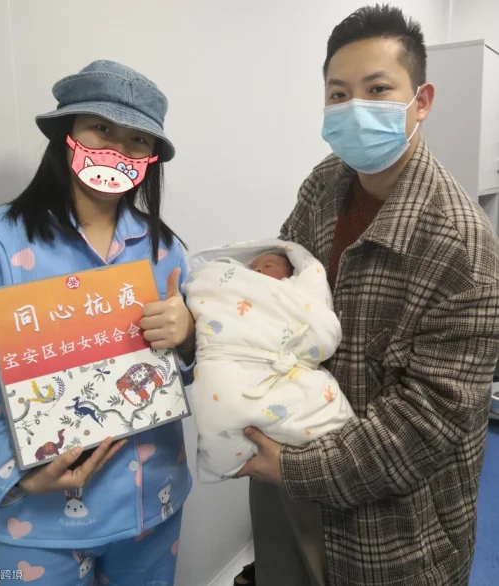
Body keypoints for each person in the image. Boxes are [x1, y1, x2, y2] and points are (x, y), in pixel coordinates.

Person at [235, 5, 499, 586]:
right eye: (338, 94)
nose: (354, 108)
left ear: (421, 101)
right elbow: (288, 276)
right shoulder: (324, 183)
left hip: (396, 529)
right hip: (294, 463)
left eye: (378, 90)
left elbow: (426, 424)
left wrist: (296, 469)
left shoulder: (462, 246)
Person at [0, 60, 196, 586]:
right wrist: (17, 474)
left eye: (137, 140)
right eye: (101, 128)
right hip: (40, 521)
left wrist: (190, 338)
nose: (117, 150)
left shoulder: (165, 249)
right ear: (67, 133)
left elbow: (186, 371)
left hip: (151, 503)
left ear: (150, 158)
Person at [182, 239, 354, 483]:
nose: (258, 270)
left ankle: (338, 456)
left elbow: (321, 334)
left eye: (269, 265)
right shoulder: (239, 288)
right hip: (229, 361)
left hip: (285, 368)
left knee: (323, 414)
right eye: (254, 267)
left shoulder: (293, 292)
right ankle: (223, 462)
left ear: (290, 275)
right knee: (220, 397)